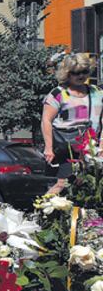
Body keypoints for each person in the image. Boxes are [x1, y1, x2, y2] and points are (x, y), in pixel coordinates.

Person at [42, 52, 103, 194]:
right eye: (76, 73)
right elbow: (46, 120)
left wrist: (101, 147)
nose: (81, 76)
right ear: (67, 73)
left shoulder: (97, 92)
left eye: (85, 71)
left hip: (92, 150)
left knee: (92, 185)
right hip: (67, 147)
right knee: (63, 184)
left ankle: (85, 216)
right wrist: (49, 148)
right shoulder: (58, 93)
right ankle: (41, 212)